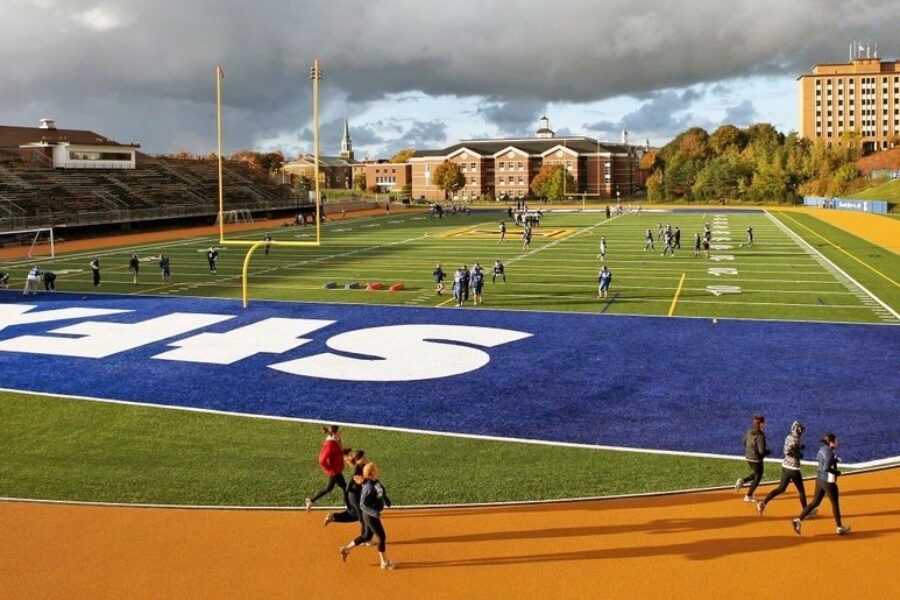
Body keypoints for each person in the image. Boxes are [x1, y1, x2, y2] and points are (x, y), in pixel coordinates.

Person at [339, 462, 396, 570]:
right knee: (382, 537)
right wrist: (375, 513)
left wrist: (385, 499)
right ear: (373, 473)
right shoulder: (369, 487)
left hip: (371, 515)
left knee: (366, 537)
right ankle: (384, 563)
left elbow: (380, 489)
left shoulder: (374, 481)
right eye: (376, 469)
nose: (377, 471)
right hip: (370, 516)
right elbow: (362, 504)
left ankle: (345, 549)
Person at [793, 433, 850, 535]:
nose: (838, 442)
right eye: (836, 440)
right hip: (828, 481)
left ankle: (798, 520)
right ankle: (839, 527)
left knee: (815, 502)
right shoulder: (831, 453)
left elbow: (823, 461)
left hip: (819, 479)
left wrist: (835, 460)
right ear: (831, 442)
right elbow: (827, 468)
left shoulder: (822, 449)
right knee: (835, 504)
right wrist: (838, 472)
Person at [757, 421, 815, 517]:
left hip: (785, 467)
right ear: (798, 431)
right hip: (793, 469)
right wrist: (799, 454)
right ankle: (806, 512)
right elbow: (791, 452)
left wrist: (799, 448)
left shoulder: (788, 437)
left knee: (780, 489)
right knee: (801, 491)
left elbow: (788, 449)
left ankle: (763, 503)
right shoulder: (796, 440)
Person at [305, 425, 349, 511]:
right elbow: (322, 460)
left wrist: (343, 452)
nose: (340, 433)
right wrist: (330, 469)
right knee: (346, 488)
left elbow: (337, 451)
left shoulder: (336, 440)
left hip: (336, 470)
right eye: (339, 431)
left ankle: (310, 500)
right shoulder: (329, 445)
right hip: (335, 472)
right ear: (334, 433)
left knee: (328, 488)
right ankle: (350, 507)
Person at [325, 450, 367, 528]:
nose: (365, 458)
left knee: (354, 515)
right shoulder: (356, 469)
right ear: (359, 458)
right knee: (361, 517)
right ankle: (364, 537)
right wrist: (348, 502)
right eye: (364, 457)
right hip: (353, 495)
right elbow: (348, 487)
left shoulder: (362, 466)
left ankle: (333, 516)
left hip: (357, 494)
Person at [735, 414, 771, 502]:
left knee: (757, 473)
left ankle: (743, 480)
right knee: (758, 477)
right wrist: (768, 452)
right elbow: (761, 451)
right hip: (756, 459)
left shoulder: (749, 431)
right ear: (761, 424)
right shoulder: (760, 436)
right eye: (763, 422)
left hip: (748, 457)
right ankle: (748, 495)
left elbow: (744, 441)